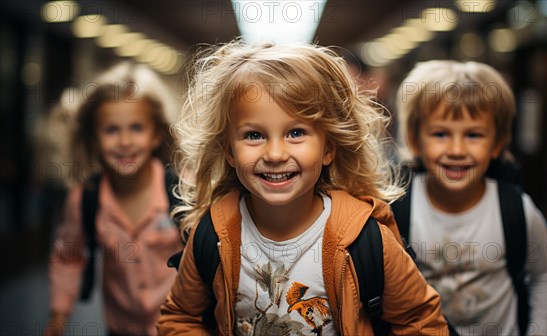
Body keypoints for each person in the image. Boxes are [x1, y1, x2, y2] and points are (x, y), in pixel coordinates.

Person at [158, 40, 448, 335]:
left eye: (296, 133)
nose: (274, 154)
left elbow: (420, 320)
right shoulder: (212, 234)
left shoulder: (366, 238)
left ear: (328, 148)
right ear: (229, 151)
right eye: (254, 135)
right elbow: (180, 317)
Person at [395, 60, 547, 335]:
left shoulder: (516, 210)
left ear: (497, 143)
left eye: (474, 135)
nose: (457, 149)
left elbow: (546, 275)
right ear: (415, 140)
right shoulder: (399, 210)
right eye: (440, 134)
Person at [46, 62, 181, 336]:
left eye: (137, 128)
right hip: (120, 329)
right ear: (94, 138)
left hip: (178, 327)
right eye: (111, 130)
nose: (124, 141)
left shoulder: (180, 192)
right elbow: (68, 256)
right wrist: (58, 316)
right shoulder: (86, 199)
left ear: (157, 135)